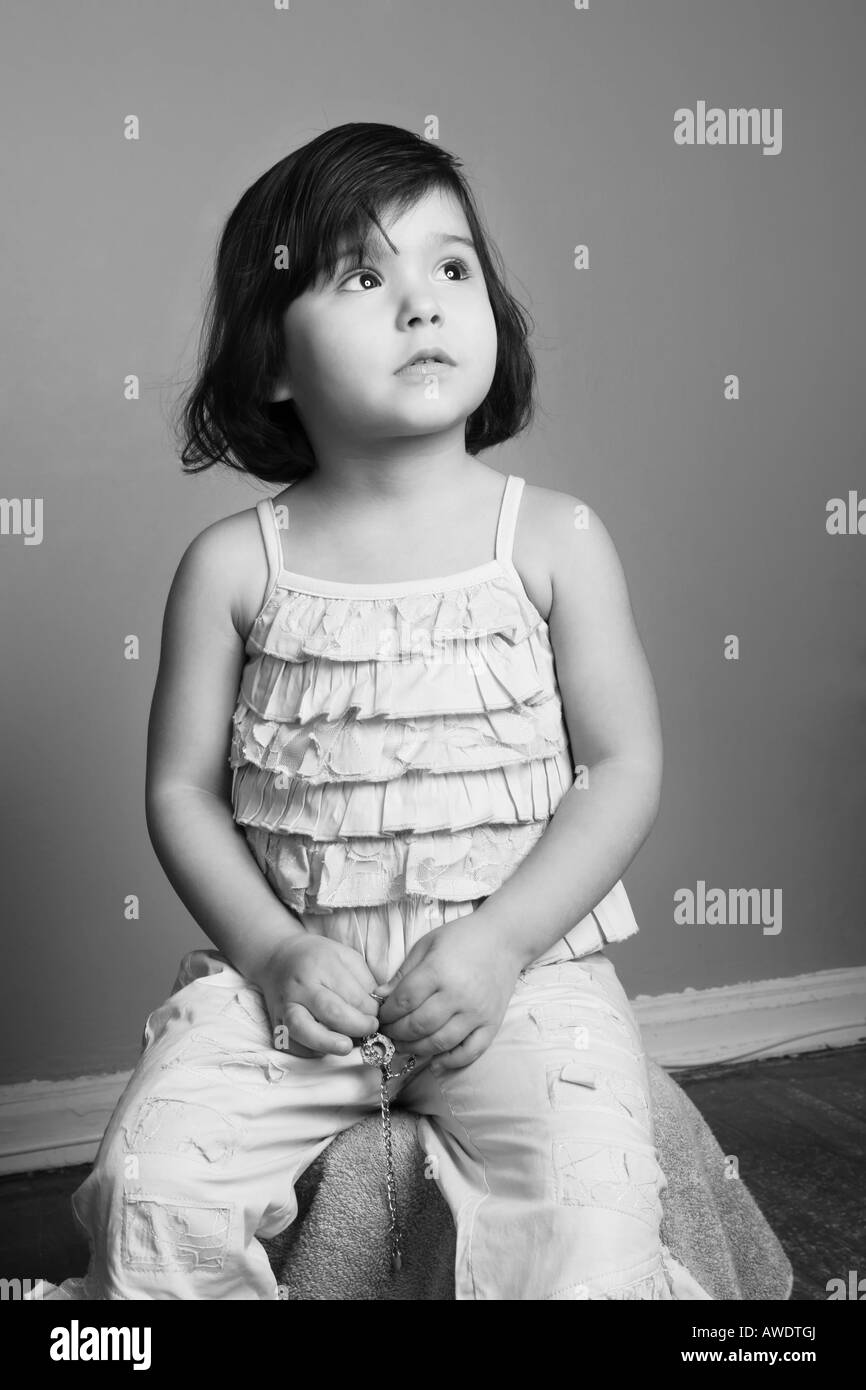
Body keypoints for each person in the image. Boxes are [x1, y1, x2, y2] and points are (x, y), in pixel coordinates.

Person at [34, 121, 712, 1300]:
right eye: (362, 275)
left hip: (521, 974)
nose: (422, 305)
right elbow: (181, 789)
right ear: (272, 360)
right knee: (149, 1190)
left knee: (593, 1207)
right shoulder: (236, 564)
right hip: (292, 988)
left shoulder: (553, 539)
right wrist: (274, 948)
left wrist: (502, 944)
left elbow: (622, 762)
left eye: (451, 269)